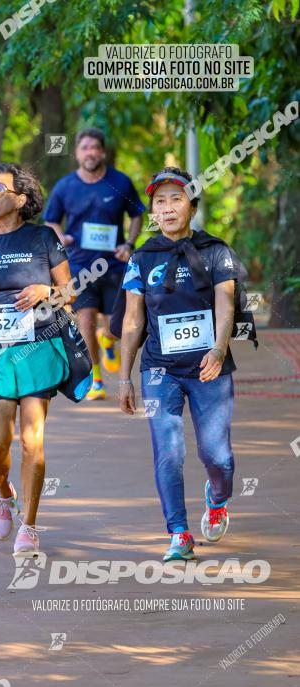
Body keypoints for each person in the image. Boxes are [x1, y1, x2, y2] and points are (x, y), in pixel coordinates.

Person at [0, 162, 74, 554]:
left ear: (20, 199)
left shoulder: (43, 238)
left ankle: (30, 524)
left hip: (38, 348)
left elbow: (70, 293)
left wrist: (45, 291)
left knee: (32, 441)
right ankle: (4, 493)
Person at [118, 167, 237, 561]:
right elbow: (133, 319)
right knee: (168, 450)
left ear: (192, 205)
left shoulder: (217, 251)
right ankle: (179, 533)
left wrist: (219, 349)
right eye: (159, 201)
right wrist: (124, 377)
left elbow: (226, 303)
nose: (167, 208)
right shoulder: (141, 257)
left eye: (176, 199)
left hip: (209, 366)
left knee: (217, 456)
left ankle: (217, 498)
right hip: (158, 368)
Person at [44, 127, 145, 399]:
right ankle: (96, 379)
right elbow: (50, 219)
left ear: (102, 152)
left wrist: (129, 244)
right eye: (84, 147)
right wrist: (59, 236)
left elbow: (137, 214)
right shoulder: (65, 186)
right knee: (86, 320)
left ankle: (108, 340)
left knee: (116, 325)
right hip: (79, 266)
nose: (90, 152)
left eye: (94, 147)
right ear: (77, 153)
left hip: (114, 265)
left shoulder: (120, 182)